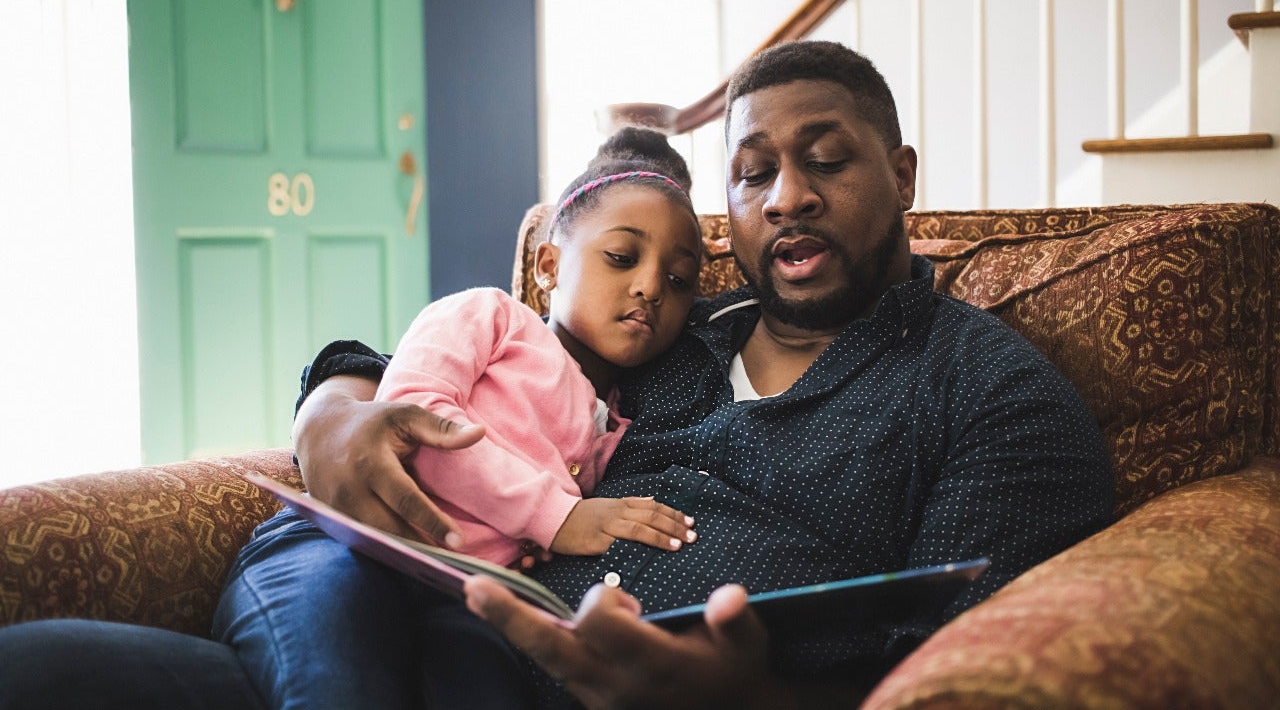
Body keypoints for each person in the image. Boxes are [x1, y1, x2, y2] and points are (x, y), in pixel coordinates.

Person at [0, 40, 1113, 710]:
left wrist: (753, 702)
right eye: (753, 174)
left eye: (824, 161)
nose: (785, 198)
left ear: (900, 173)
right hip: (420, 644)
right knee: (37, 670)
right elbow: (440, 367)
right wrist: (334, 409)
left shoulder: (986, 396)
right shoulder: (677, 332)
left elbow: (956, 670)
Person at [376, 128, 702, 568]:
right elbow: (411, 419)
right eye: (622, 257)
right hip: (355, 550)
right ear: (549, 266)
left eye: (678, 279)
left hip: (462, 593)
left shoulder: (621, 427)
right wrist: (556, 518)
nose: (650, 288)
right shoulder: (489, 316)